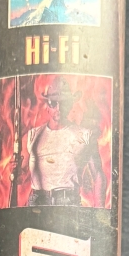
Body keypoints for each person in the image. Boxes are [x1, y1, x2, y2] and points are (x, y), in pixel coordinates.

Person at [25, 79, 106, 208]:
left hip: (68, 203)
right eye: (53, 103)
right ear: (47, 106)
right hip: (37, 203)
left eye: (63, 103)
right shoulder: (33, 136)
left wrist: (99, 212)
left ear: (70, 104)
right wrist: (15, 170)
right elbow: (21, 176)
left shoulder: (85, 136)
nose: (58, 108)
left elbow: (98, 175)